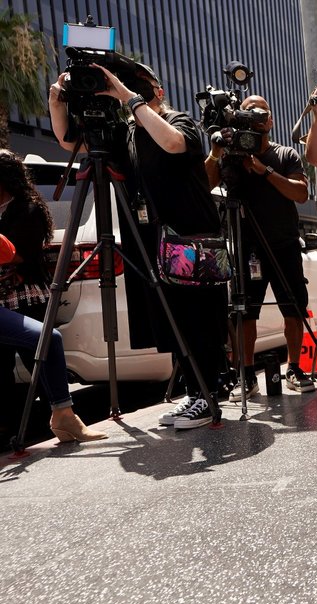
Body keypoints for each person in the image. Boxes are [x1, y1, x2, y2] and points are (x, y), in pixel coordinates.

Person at [49, 63, 228, 430]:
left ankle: (209, 395)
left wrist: (127, 97)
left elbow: (173, 144)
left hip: (190, 238)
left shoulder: (180, 121)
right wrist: (56, 103)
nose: (127, 95)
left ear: (158, 92)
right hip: (152, 241)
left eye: (138, 90)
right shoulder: (126, 132)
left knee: (198, 319)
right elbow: (72, 141)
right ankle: (196, 393)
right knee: (171, 318)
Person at [205, 95, 313, 399]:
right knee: (244, 312)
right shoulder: (230, 155)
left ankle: (294, 368)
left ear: (270, 120)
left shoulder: (285, 154)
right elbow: (204, 185)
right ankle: (247, 375)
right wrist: (216, 153)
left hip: (284, 243)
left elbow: (301, 193)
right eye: (248, 113)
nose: (255, 117)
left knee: (293, 307)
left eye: (260, 113)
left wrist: (263, 170)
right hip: (246, 245)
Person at [0, 153, 106, 443]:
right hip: (3, 300)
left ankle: (60, 416)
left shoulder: (27, 209)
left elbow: (17, 254)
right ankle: (9, 427)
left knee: (41, 358)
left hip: (25, 295)